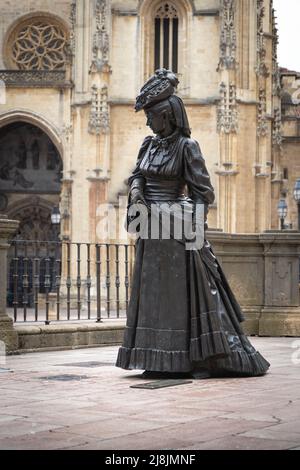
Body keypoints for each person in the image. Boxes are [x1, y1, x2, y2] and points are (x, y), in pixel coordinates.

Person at [116, 69, 270, 379]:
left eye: (151, 116)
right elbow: (137, 175)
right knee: (151, 296)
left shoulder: (188, 147)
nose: (147, 122)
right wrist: (136, 190)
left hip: (176, 231)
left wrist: (194, 233)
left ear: (167, 116)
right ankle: (156, 359)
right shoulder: (148, 145)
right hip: (150, 229)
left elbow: (204, 193)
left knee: (176, 300)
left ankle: (182, 359)